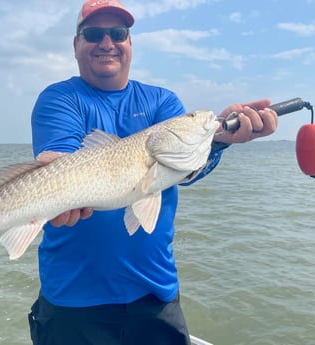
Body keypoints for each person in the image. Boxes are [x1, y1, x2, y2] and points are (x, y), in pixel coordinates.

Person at [29, 1, 278, 344]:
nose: (107, 42)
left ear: (130, 43)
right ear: (76, 44)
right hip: (73, 299)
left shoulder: (162, 102)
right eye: (93, 34)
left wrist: (218, 140)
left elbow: (185, 169)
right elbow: (65, 163)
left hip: (155, 292)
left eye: (118, 33)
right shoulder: (60, 98)